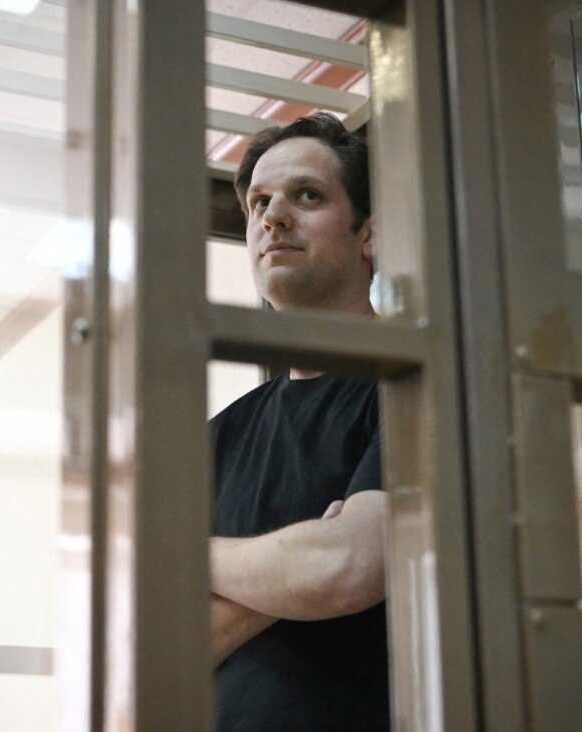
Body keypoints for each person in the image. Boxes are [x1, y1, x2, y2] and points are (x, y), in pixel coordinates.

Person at [208, 113, 389, 731]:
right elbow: (153, 642)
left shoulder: (416, 390)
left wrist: (192, 557)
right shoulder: (219, 435)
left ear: (368, 235)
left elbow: (348, 569)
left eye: (306, 196)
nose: (272, 217)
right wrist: (303, 557)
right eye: (259, 202)